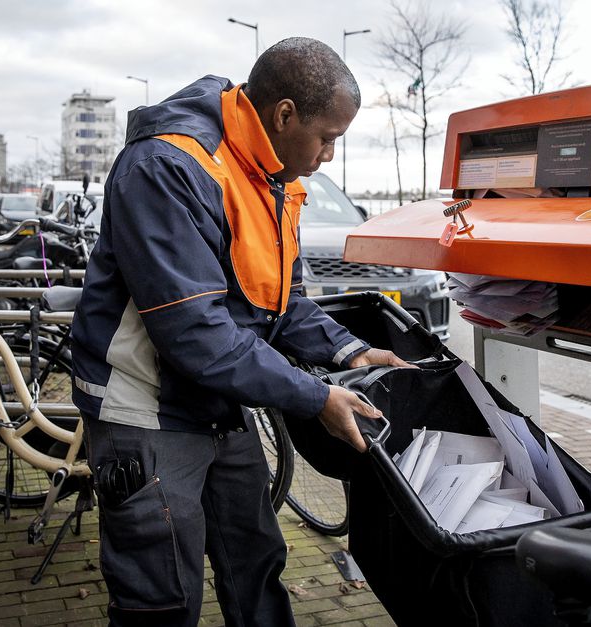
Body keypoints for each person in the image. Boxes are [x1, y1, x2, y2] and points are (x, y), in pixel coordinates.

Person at [70, 37, 410, 626]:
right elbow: (195, 333)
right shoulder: (168, 166)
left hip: (217, 402)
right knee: (164, 597)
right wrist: (315, 397)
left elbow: (281, 304)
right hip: (147, 412)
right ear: (283, 115)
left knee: (254, 561)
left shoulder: (272, 178)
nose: (330, 154)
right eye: (327, 136)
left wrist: (350, 351)